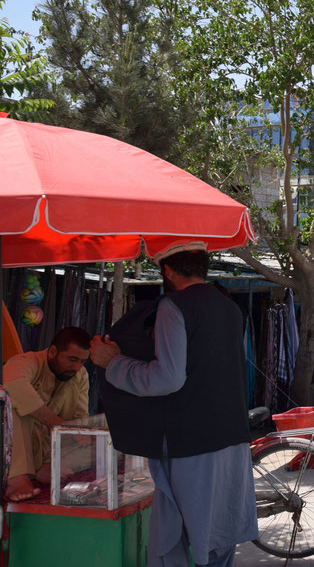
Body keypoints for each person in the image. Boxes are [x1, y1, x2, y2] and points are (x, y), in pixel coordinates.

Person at [90, 241, 257, 567]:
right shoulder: (230, 308)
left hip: (190, 443)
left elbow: (167, 379)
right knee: (217, 539)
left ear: (166, 269)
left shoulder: (173, 306)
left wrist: (114, 363)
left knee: (170, 540)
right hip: (232, 439)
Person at [3, 327, 91, 502]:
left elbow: (80, 419)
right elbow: (13, 384)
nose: (76, 367)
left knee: (99, 444)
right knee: (14, 405)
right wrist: (53, 422)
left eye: (82, 362)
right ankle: (18, 478)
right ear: (52, 352)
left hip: (50, 449)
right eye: (72, 359)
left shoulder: (80, 375)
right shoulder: (25, 362)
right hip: (21, 446)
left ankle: (49, 468)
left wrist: (81, 435)